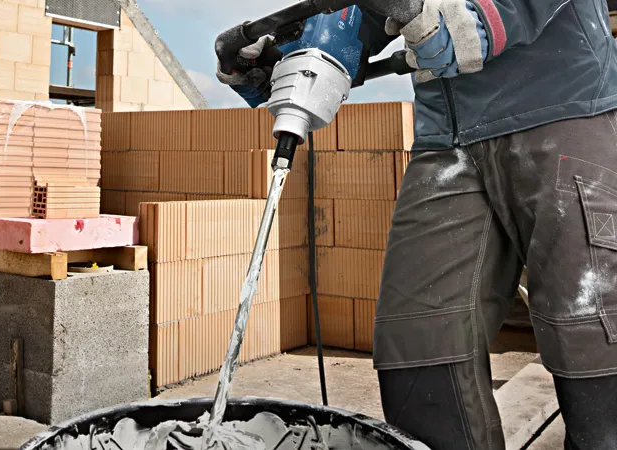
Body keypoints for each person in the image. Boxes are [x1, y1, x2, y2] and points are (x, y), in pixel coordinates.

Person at [216, 0, 617, 448]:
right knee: (419, 344)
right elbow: (366, 14)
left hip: (563, 107)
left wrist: (469, 22)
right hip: (445, 137)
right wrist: (295, 52)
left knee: (593, 332)